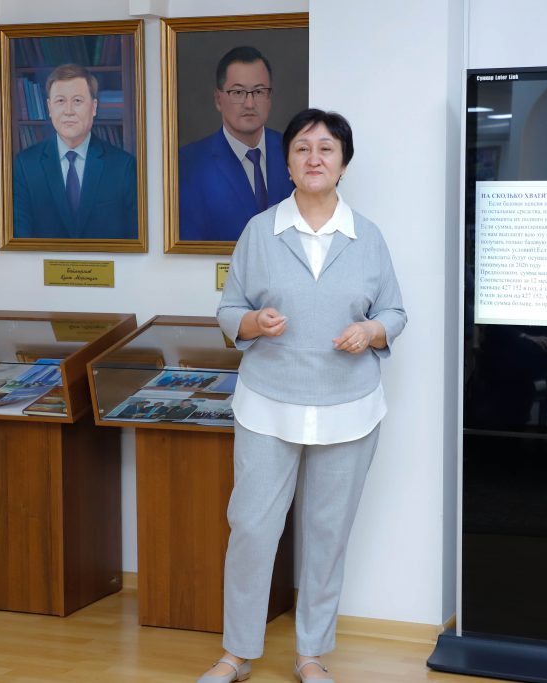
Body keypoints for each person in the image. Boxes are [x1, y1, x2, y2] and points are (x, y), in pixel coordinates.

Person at [206, 109, 406, 683]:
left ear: (343, 163)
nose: (314, 158)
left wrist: (371, 331)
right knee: (251, 528)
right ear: (288, 162)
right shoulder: (260, 231)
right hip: (268, 403)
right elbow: (228, 310)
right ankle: (236, 654)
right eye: (301, 148)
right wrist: (252, 323)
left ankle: (311, 654)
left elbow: (394, 311)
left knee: (327, 534)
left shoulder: (367, 237)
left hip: (349, 408)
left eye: (326, 149)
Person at [178, 46, 295, 242]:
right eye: (238, 92)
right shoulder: (188, 163)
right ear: (218, 100)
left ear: (269, 98)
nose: (249, 104)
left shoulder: (293, 152)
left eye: (259, 91)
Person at [12, 63, 138, 239]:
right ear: (49, 108)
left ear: (94, 107)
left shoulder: (123, 166)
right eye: (60, 101)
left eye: (77, 101)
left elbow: (134, 238)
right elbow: (20, 240)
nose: (68, 111)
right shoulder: (25, 166)